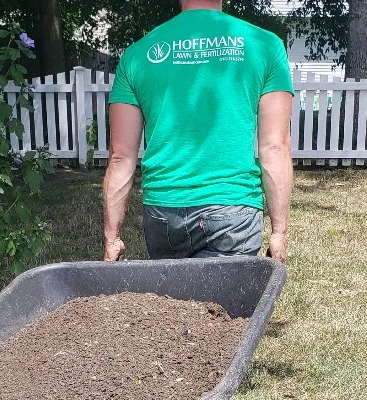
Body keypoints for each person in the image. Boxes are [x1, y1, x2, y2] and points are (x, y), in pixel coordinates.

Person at [102, 0, 294, 263]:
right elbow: (275, 147)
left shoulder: (138, 54)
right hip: (233, 211)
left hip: (164, 212)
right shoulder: (265, 46)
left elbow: (121, 157)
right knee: (227, 304)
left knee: (175, 303)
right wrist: (279, 231)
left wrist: (112, 237)